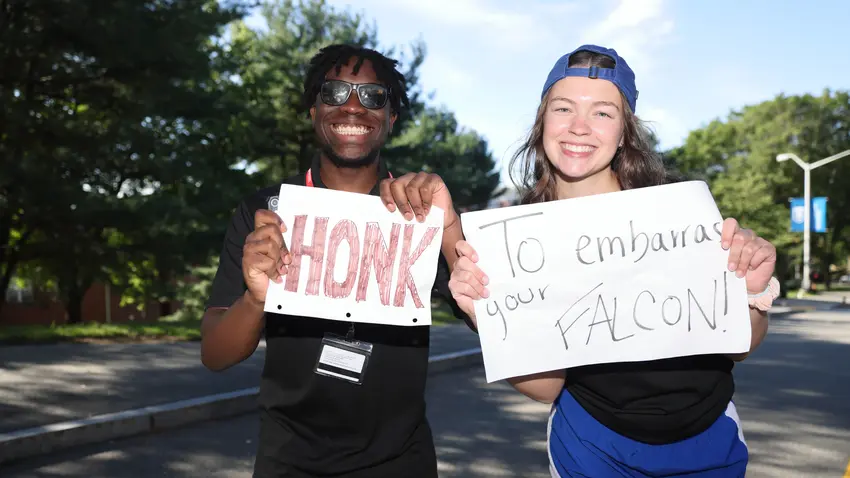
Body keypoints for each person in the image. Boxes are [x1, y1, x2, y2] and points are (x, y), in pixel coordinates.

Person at [382, 45, 780, 477]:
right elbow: (546, 387)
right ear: (542, 121)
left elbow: (741, 344)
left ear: (626, 131)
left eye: (603, 113)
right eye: (564, 108)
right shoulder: (518, 242)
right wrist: (489, 319)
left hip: (709, 443)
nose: (579, 127)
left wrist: (754, 289)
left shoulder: (681, 215)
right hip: (591, 450)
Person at [201, 44, 471, 478]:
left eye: (372, 97)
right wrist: (255, 300)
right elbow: (215, 354)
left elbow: (493, 318)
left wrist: (449, 225)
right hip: (288, 462)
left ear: (391, 119)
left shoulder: (418, 214)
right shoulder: (266, 212)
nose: (352, 106)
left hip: (401, 463)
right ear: (313, 111)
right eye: (335, 92)